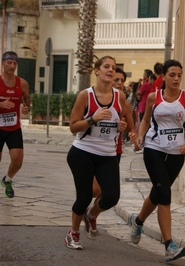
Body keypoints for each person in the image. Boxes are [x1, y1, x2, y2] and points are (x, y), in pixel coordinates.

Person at [127, 59, 185, 262]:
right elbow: (145, 120)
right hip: (154, 149)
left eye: (179, 75)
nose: (176, 79)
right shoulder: (155, 97)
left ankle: (137, 221)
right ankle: (169, 245)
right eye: (172, 75)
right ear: (163, 76)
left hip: (176, 153)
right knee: (164, 194)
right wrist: (140, 137)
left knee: (157, 193)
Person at [65, 56, 128, 250]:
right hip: (83, 152)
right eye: (106, 66)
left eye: (114, 67)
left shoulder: (120, 97)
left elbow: (120, 123)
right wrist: (93, 118)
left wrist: (121, 127)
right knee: (84, 196)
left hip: (107, 155)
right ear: (96, 71)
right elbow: (73, 127)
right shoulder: (86, 95)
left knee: (111, 196)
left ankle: (91, 215)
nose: (110, 70)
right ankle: (73, 233)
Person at [91, 67, 136, 206]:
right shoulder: (93, 97)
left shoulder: (124, 103)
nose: (119, 83)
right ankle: (82, 209)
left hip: (114, 151)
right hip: (93, 148)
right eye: (116, 79)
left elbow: (131, 127)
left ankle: (92, 215)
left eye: (122, 80)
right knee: (95, 190)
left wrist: (133, 135)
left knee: (108, 191)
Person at [0, 51, 30, 198]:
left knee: (18, 161)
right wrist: (1, 104)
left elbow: (27, 99)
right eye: (9, 63)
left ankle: (7, 180)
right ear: (3, 63)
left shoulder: (22, 83)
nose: (12, 66)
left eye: (14, 63)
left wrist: (26, 107)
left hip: (14, 127)